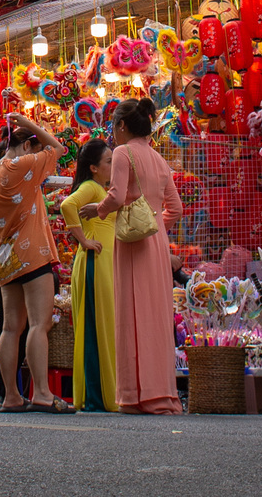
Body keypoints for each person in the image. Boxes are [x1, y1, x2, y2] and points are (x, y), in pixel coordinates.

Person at [92, 96, 184, 414]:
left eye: (113, 126)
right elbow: (177, 208)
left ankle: (135, 395)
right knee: (156, 316)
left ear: (122, 126)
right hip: (157, 244)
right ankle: (163, 393)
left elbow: (116, 196)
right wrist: (154, 222)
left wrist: (98, 210)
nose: (112, 133)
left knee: (131, 314)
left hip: (132, 244)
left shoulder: (122, 152)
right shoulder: (158, 159)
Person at [0, 112, 73, 413]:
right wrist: (30, 124)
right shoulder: (24, 165)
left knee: (11, 328)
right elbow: (58, 149)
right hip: (33, 253)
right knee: (39, 323)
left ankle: (11, 396)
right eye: (32, 148)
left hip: (6, 257)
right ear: (25, 148)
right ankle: (43, 394)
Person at [61, 138, 117, 412]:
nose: (113, 166)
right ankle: (98, 396)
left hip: (103, 261)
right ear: (94, 168)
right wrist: (83, 240)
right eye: (108, 162)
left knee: (105, 324)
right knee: (98, 327)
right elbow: (67, 205)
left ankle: (104, 394)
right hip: (95, 260)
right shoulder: (91, 187)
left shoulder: (100, 189)